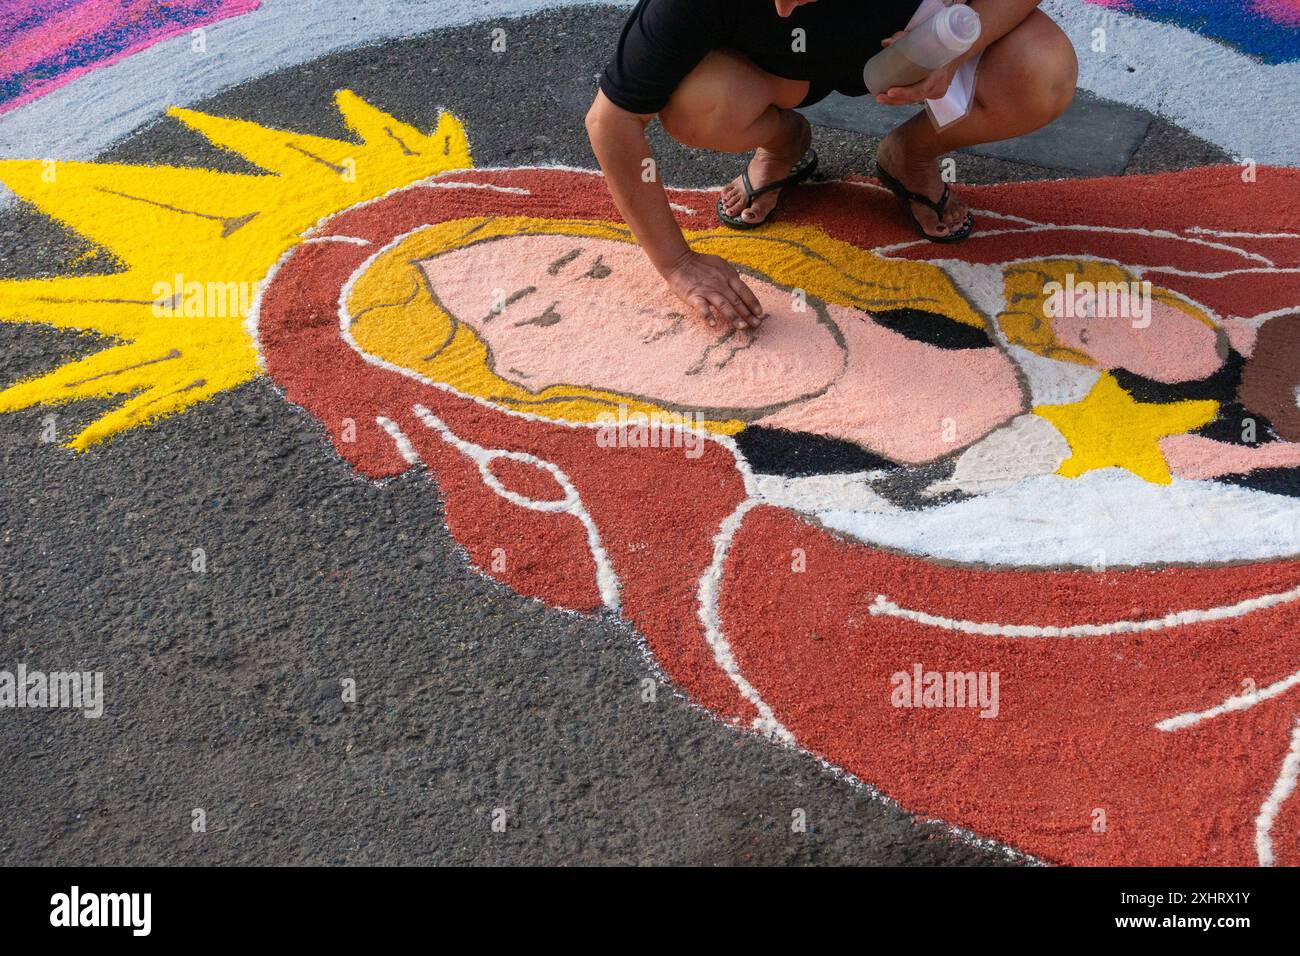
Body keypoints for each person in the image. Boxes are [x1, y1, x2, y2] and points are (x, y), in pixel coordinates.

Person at [585, 0, 1078, 331]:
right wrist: (677, 264)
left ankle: (912, 153)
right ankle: (783, 143)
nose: (783, 5)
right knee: (697, 105)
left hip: (913, 38)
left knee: (1042, 72)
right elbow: (612, 121)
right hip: (773, 72)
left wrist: (959, 49)